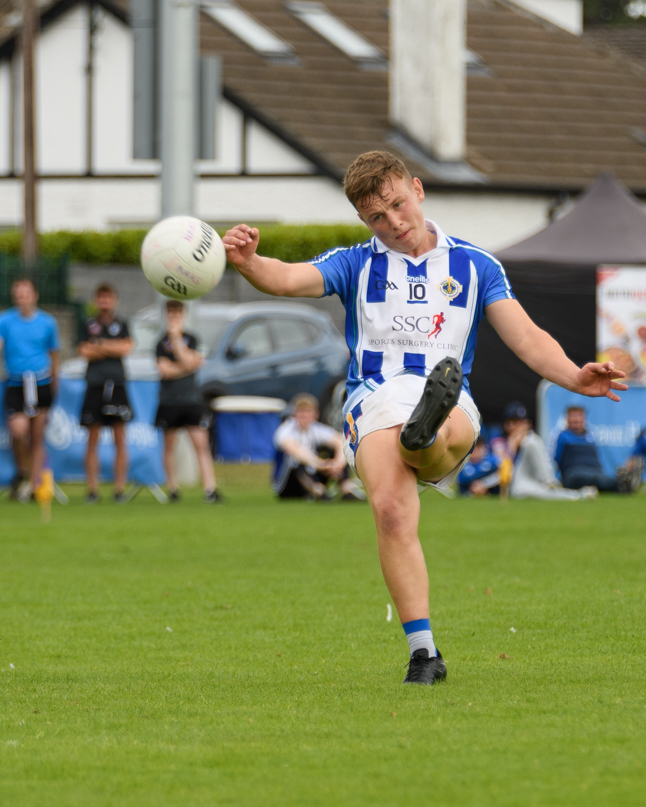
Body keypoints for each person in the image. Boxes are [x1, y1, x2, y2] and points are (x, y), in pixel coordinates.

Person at [222, 150, 627, 686]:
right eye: (376, 218)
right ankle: (424, 653)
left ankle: (425, 430)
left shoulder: (476, 265)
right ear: (364, 223)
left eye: (396, 205)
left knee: (438, 430)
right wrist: (251, 261)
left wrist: (576, 377)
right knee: (390, 511)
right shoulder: (355, 263)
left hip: (448, 392)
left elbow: (526, 337)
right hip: (373, 397)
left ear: (417, 189)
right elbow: (287, 278)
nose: (393, 223)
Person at [155, 300, 222, 503]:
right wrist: (186, 365)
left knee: (200, 444)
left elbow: (194, 362)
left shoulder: (192, 338)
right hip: (169, 400)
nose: (174, 317)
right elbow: (164, 370)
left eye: (177, 313)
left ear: (183, 315)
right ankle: (173, 489)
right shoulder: (160, 342)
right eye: (171, 313)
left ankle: (210, 489)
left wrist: (177, 341)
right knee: (169, 446)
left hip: (191, 399)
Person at [0, 278, 60, 500]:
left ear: (35, 295)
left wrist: (55, 385)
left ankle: (35, 485)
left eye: (25, 294)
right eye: (18, 294)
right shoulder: (5, 321)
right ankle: (22, 470)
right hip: (15, 383)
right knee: (18, 431)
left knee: (37, 436)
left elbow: (55, 356)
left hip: (40, 382)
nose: (21, 298)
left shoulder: (47, 322)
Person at [78, 284, 133, 503]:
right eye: (100, 298)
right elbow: (83, 351)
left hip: (117, 385)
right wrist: (112, 347)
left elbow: (126, 348)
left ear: (115, 301)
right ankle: (93, 490)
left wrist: (99, 345)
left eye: (108, 298)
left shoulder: (122, 324)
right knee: (92, 439)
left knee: (120, 438)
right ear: (96, 301)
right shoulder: (88, 324)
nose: (104, 302)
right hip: (94, 385)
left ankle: (119, 490)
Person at [273, 393, 363, 501]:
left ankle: (345, 489)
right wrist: (321, 464)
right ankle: (317, 490)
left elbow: (340, 441)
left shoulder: (316, 429)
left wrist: (337, 464)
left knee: (331, 451)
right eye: (301, 412)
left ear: (316, 414)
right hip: (288, 485)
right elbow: (295, 450)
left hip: (312, 471)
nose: (304, 416)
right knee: (294, 461)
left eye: (308, 412)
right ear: (294, 414)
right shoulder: (285, 430)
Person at [503, 401, 597, 501]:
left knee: (532, 441)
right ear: (505, 424)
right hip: (515, 486)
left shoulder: (530, 439)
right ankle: (570, 492)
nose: (515, 427)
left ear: (527, 424)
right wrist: (511, 447)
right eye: (512, 422)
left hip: (532, 482)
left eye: (520, 423)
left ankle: (556, 486)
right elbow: (498, 471)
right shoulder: (499, 440)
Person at [554, 406, 637, 494]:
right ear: (567, 419)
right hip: (573, 473)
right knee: (587, 477)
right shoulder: (563, 436)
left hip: (595, 471)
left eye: (579, 416)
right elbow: (555, 459)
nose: (576, 419)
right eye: (573, 416)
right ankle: (621, 484)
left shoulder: (591, 437)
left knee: (599, 478)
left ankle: (621, 485)